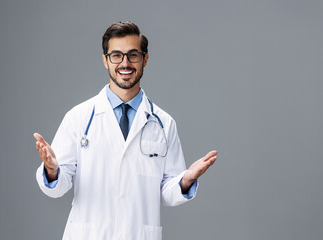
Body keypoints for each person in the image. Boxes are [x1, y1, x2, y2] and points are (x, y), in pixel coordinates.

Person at [34, 21, 218, 240]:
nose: (125, 63)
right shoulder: (79, 117)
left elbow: (168, 192)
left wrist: (186, 179)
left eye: (133, 55)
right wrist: (52, 170)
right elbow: (57, 186)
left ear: (145, 59)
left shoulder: (164, 123)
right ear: (105, 60)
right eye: (116, 55)